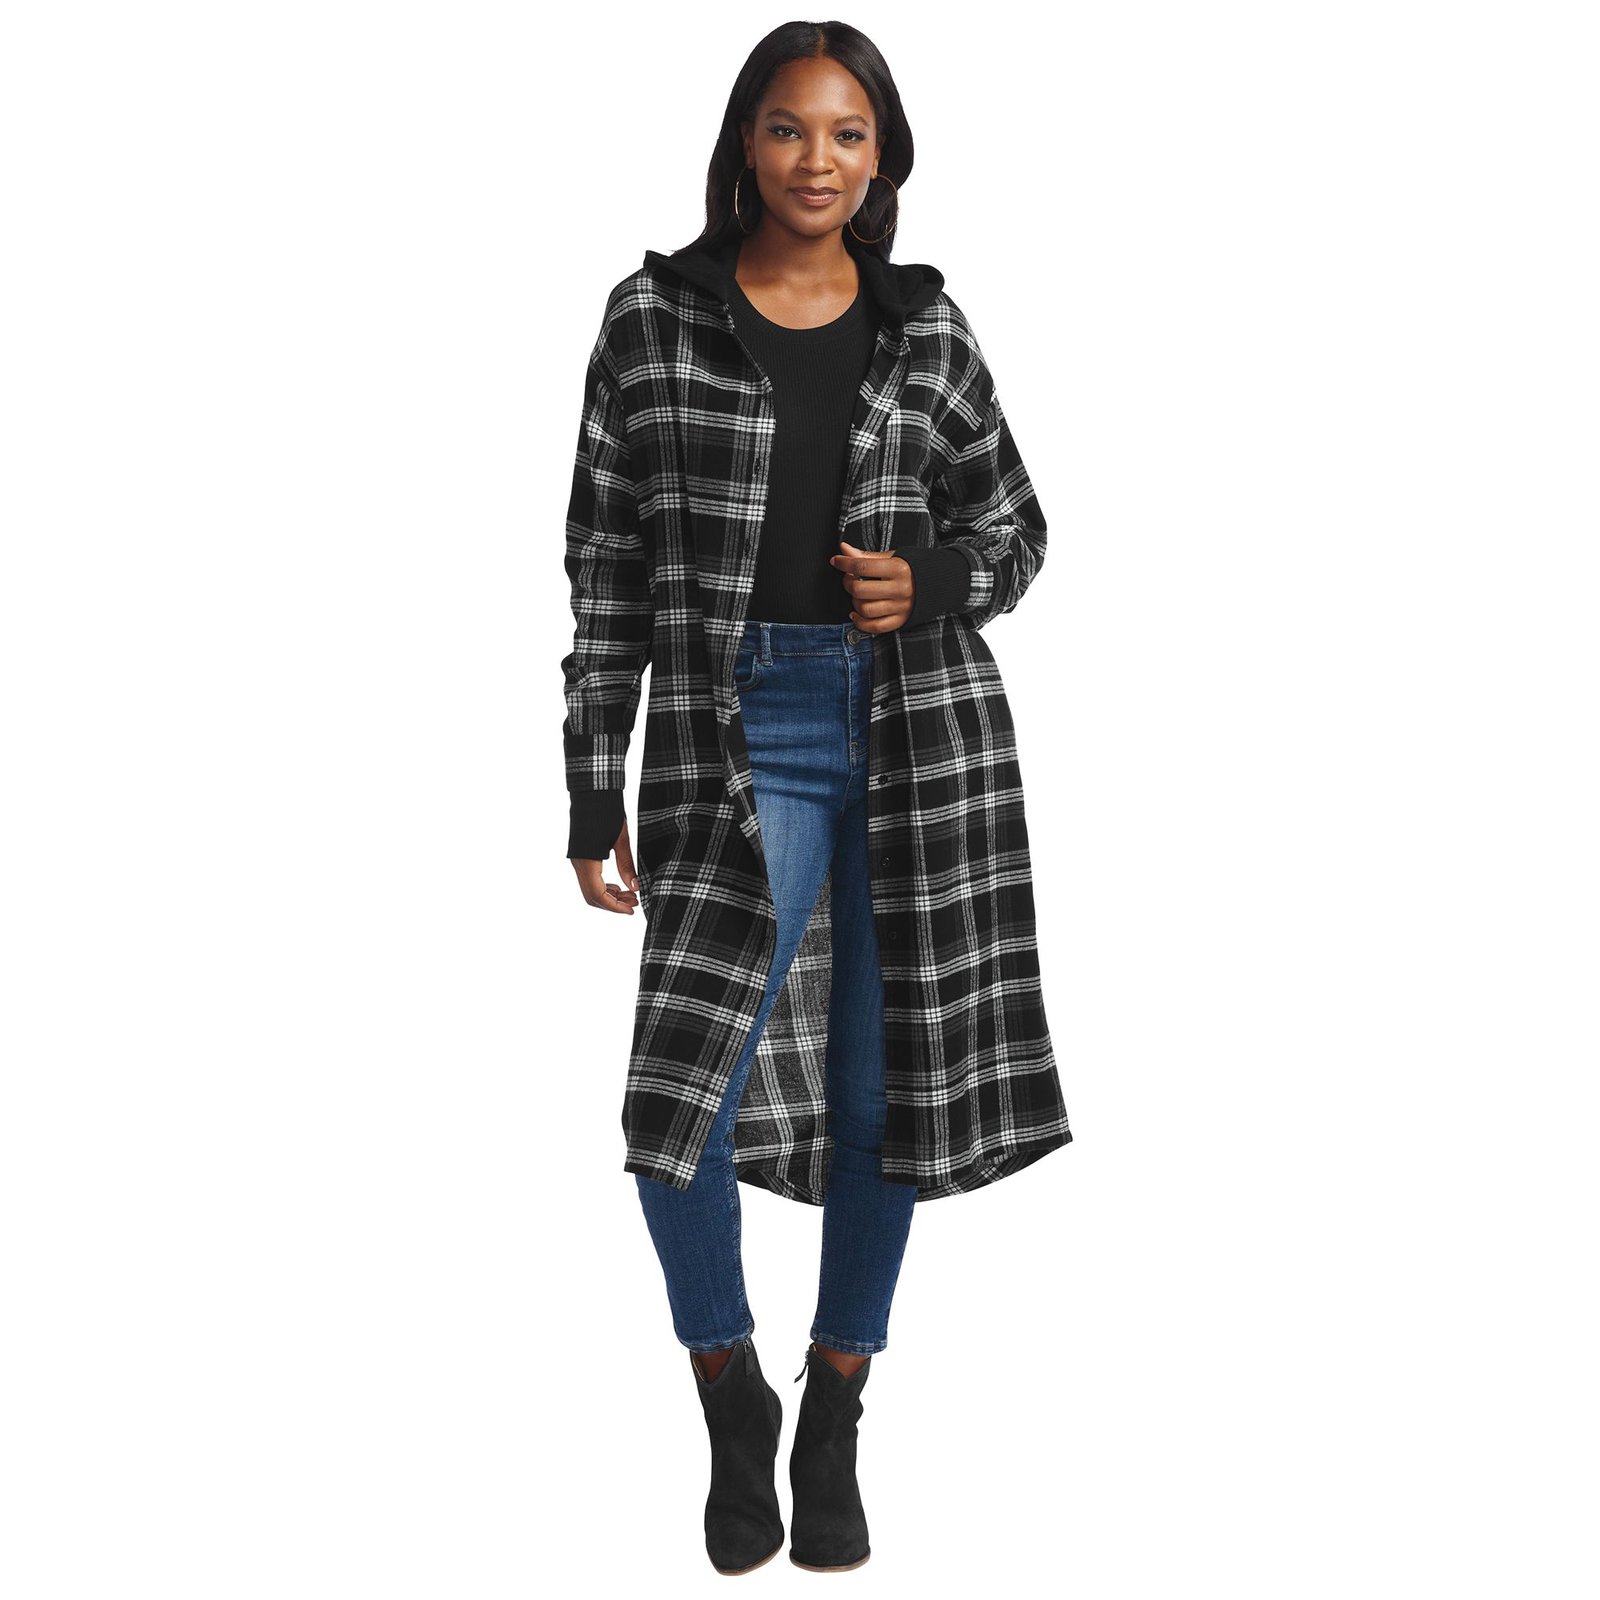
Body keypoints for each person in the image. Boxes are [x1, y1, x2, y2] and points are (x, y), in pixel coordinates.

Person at [561, 21, 1073, 1576]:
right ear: (746, 142)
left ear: (883, 158)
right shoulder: (654, 321)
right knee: (678, 1110)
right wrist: (591, 783)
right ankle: (732, 1390)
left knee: (881, 1097)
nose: (817, 160)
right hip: (734, 734)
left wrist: (934, 582)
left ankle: (836, 1406)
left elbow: (1020, 529)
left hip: (920, 732)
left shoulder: (928, 331)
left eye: (849, 135)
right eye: (790, 129)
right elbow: (604, 572)